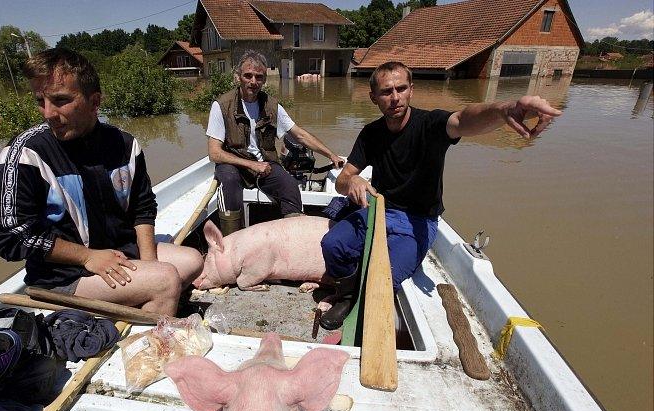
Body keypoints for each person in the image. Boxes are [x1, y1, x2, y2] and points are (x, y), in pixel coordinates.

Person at [318, 62, 562, 329]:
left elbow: (464, 120)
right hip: (379, 210)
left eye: (401, 88)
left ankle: (366, 299)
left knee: (384, 276)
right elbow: (342, 181)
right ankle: (348, 295)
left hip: (418, 221)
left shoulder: (431, 125)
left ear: (411, 90)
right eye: (387, 91)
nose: (395, 97)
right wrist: (352, 179)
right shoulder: (370, 134)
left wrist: (506, 110)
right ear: (373, 97)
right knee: (332, 245)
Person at [0, 48, 203, 316]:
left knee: (192, 261)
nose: (48, 113)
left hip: (121, 254)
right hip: (63, 277)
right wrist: (88, 257)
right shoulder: (26, 153)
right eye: (41, 101)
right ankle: (152, 335)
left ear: (94, 101)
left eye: (61, 100)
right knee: (166, 280)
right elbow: (5, 235)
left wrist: (148, 264)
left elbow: (142, 208)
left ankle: (133, 302)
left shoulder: (125, 144)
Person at [206, 50, 344, 234]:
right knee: (229, 181)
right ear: (237, 77)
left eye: (259, 77)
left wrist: (331, 155)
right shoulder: (222, 105)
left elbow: (299, 135)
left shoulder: (272, 106)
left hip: (266, 163)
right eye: (248, 76)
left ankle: (292, 238)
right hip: (234, 164)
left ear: (264, 80)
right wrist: (252, 165)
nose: (253, 82)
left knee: (289, 185)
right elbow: (215, 153)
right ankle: (233, 241)